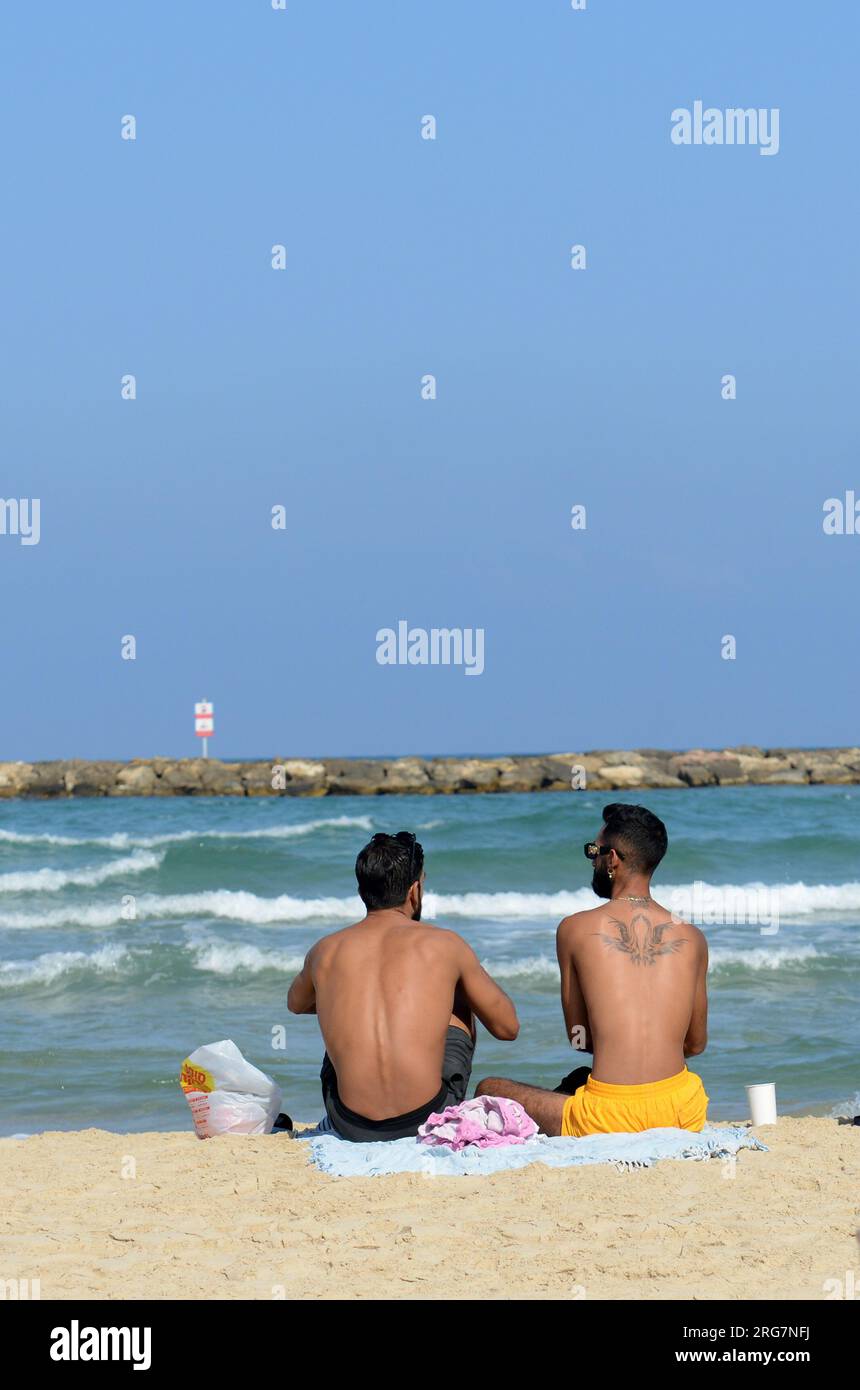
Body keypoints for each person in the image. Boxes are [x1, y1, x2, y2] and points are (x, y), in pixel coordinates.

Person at [475, 803, 709, 1136]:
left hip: (607, 1117)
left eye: (593, 852)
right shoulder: (693, 936)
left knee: (488, 1088)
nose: (593, 860)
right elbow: (695, 1045)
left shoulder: (574, 929)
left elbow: (579, 1037)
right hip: (684, 1109)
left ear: (612, 859)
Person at [287, 831, 519, 1141]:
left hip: (349, 1123)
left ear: (361, 890)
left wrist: (346, 997)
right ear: (415, 890)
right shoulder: (446, 944)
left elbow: (296, 1003)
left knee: (343, 1008)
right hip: (425, 1120)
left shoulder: (325, 950)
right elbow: (507, 1027)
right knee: (460, 999)